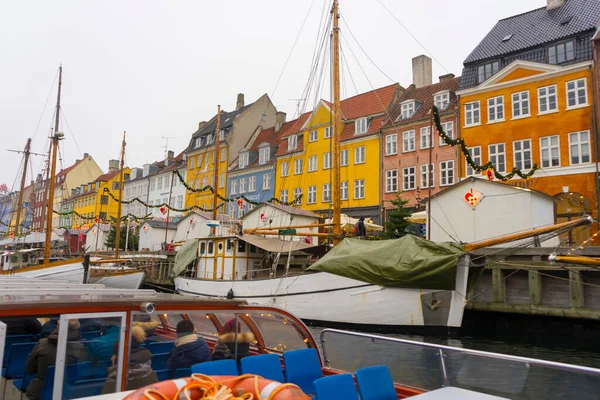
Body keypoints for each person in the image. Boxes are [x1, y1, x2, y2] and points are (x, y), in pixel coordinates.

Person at [25, 319, 87, 400]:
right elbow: (82, 373)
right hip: (67, 392)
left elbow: (29, 369)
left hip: (40, 392)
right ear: (76, 329)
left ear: (58, 327)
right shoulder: (80, 347)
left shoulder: (42, 343)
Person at [101, 325, 158, 394]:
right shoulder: (151, 374)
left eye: (114, 355)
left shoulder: (114, 382)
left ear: (120, 357)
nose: (111, 358)